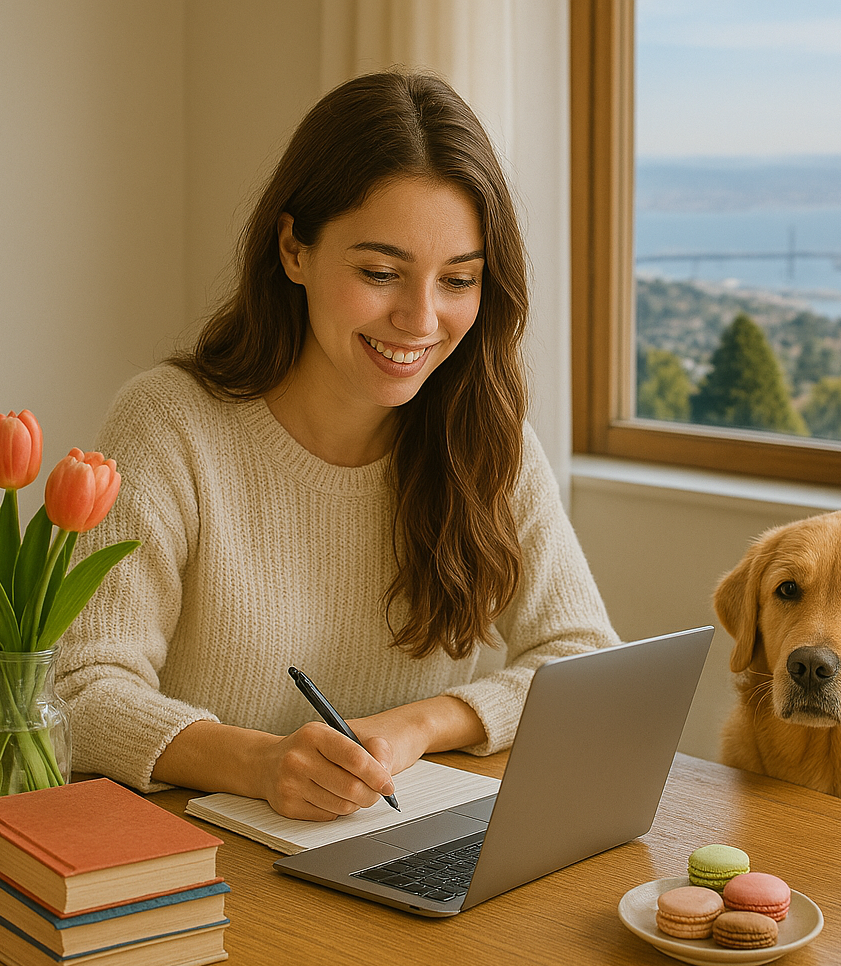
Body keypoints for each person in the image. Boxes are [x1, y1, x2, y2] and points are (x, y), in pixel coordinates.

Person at [57, 71, 618, 821]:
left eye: (457, 280)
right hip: (205, 870)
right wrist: (260, 762)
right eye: (380, 272)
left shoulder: (485, 433)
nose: (421, 320)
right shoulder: (169, 424)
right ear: (294, 249)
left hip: (397, 843)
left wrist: (420, 725)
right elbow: (81, 691)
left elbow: (586, 660)